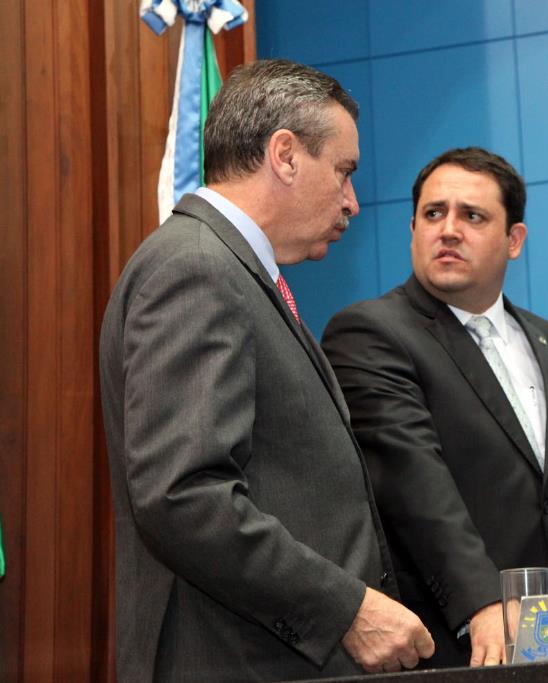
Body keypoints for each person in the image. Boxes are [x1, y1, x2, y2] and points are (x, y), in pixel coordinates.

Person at [99, 59, 433, 681]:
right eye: (344, 172)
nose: (352, 202)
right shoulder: (197, 269)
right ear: (284, 155)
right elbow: (185, 498)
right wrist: (346, 609)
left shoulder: (229, 270)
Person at [320, 147, 548, 667]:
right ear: (412, 230)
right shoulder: (371, 333)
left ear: (514, 240)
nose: (448, 230)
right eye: (433, 213)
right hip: (455, 643)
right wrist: (482, 603)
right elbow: (415, 486)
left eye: (472, 216)